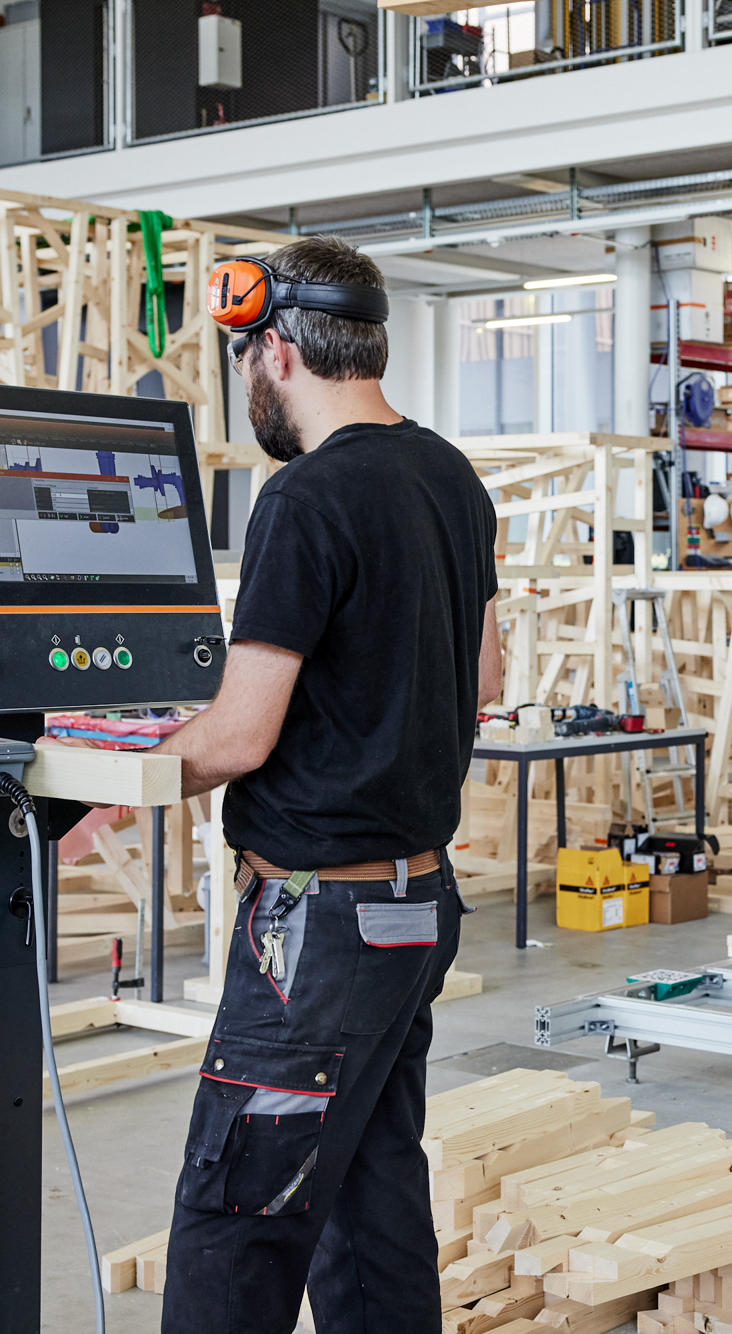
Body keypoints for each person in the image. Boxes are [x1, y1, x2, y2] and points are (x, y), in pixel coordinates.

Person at [138, 236, 500, 1333]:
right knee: (367, 1193)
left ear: (276, 349)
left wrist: (123, 775)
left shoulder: (303, 497)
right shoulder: (449, 473)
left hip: (318, 929)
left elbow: (240, 737)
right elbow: (484, 675)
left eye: (244, 355)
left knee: (236, 1213)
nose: (248, 380)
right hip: (413, 905)